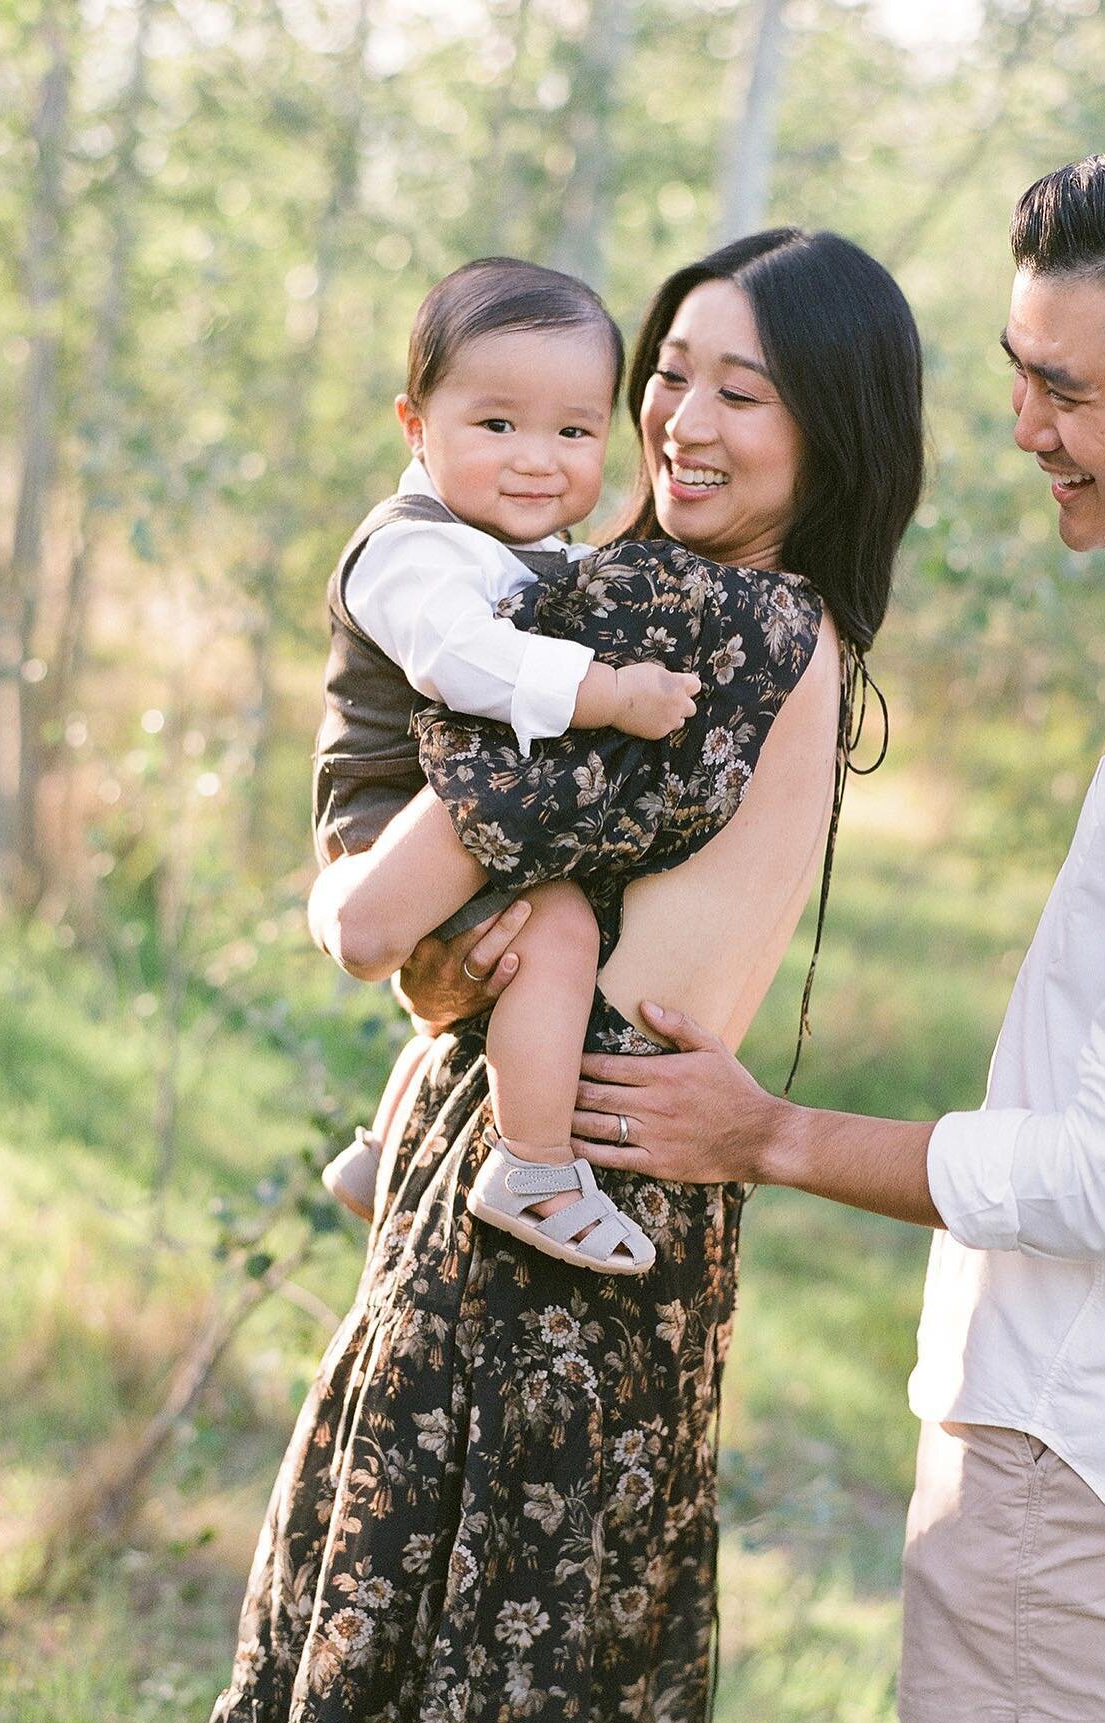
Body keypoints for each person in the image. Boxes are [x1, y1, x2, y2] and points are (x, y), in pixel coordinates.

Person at [575, 136, 1105, 1723]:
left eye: (1066, 391)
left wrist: (770, 1135)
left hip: (1087, 1401)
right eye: (1019, 374)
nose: (1023, 430)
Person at [192, 226, 924, 1723]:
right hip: (631, 1190)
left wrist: (352, 909)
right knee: (558, 1655)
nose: (688, 422)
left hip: (558, 1174)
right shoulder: (802, 621)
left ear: (835, 426)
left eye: (751, 391)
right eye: (670, 374)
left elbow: (416, 881)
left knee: (435, 1640)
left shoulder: (689, 613)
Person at [311, 257, 699, 1273]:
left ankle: (382, 1147)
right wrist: (611, 693)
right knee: (560, 932)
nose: (538, 460)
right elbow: (461, 660)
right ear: (415, 427)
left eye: (573, 431)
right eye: (497, 426)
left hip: (453, 802)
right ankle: (532, 1165)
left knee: (510, 957)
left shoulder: (523, 543)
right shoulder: (416, 550)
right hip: (395, 811)